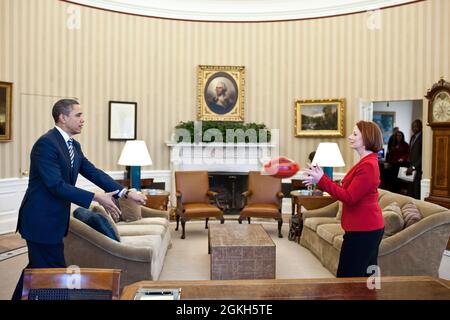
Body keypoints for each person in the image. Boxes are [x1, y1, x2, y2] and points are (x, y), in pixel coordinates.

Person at [11, 99, 147, 300]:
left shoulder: (73, 145)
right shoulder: (46, 144)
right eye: (78, 115)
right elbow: (55, 185)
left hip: (54, 221)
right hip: (40, 221)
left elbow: (93, 172)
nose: (83, 120)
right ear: (62, 117)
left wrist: (125, 193)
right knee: (52, 274)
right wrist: (96, 197)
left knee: (38, 270)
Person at [301, 121, 384, 277]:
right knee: (357, 278)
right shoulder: (365, 163)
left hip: (365, 230)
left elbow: (349, 197)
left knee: (349, 279)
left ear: (366, 138)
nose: (349, 137)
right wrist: (319, 180)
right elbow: (346, 190)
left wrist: (322, 180)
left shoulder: (368, 166)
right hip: (360, 228)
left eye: (354, 134)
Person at [406, 119, 423, 199]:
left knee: (416, 194)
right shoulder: (413, 137)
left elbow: (422, 156)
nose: (414, 128)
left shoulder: (423, 137)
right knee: (410, 192)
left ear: (420, 126)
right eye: (413, 126)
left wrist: (414, 167)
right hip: (410, 169)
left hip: (417, 170)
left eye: (416, 126)